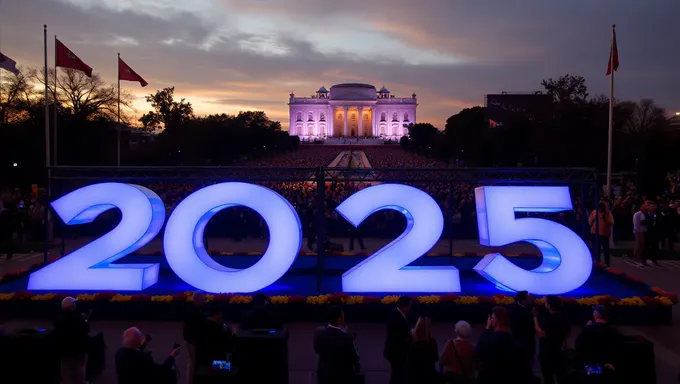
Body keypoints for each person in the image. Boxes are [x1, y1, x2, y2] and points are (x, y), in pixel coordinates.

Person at [475, 306, 532, 384]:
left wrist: (487, 329)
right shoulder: (519, 343)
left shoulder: (487, 341)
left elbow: (477, 355)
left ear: (493, 321)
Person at [575, 306, 624, 383]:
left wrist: (586, 327)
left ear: (596, 315)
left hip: (590, 368)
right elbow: (620, 350)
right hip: (609, 369)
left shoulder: (588, 330)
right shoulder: (615, 332)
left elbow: (578, 346)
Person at [115, 327, 179, 384]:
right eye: (140, 338)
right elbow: (161, 371)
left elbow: (131, 355)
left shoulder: (119, 353)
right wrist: (172, 356)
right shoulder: (143, 359)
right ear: (136, 341)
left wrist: (143, 345)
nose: (141, 339)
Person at [313, 306, 360, 384]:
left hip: (324, 376)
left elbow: (317, 349)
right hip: (343, 377)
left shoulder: (319, 333)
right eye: (343, 317)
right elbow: (355, 357)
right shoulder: (348, 337)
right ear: (339, 319)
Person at [533, 296, 571, 384]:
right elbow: (568, 333)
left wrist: (535, 318)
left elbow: (541, 333)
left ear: (549, 306)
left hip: (547, 353)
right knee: (561, 377)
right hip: (560, 351)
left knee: (548, 378)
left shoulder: (548, 320)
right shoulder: (564, 318)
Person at [53, 296, 90, 384]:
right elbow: (86, 329)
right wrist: (85, 320)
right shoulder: (78, 318)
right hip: (78, 348)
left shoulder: (58, 318)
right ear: (72, 306)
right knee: (79, 369)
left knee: (65, 370)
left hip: (63, 349)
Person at [384, 296, 413, 384]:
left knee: (398, 375)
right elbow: (397, 335)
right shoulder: (396, 318)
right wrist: (409, 334)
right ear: (404, 306)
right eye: (409, 306)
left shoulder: (399, 315)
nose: (410, 308)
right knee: (398, 375)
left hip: (397, 352)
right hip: (397, 352)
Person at [183, 292, 206, 384]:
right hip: (193, 341)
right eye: (202, 299)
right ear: (197, 299)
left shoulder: (197, 310)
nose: (204, 301)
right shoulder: (193, 312)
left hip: (193, 340)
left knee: (193, 362)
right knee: (192, 363)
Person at [408, 317, 439, 384]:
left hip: (413, 375)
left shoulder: (411, 341)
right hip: (429, 375)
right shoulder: (432, 342)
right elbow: (435, 358)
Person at [509, 290, 536, 362]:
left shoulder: (529, 307)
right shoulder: (515, 310)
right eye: (528, 297)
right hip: (521, 339)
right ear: (523, 299)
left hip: (528, 339)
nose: (530, 298)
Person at [632, 201, 650, 267]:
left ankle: (638, 258)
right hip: (638, 230)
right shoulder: (637, 214)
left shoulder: (645, 214)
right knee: (638, 245)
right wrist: (639, 230)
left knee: (642, 245)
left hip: (642, 231)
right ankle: (635, 259)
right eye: (645, 206)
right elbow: (636, 224)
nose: (646, 208)